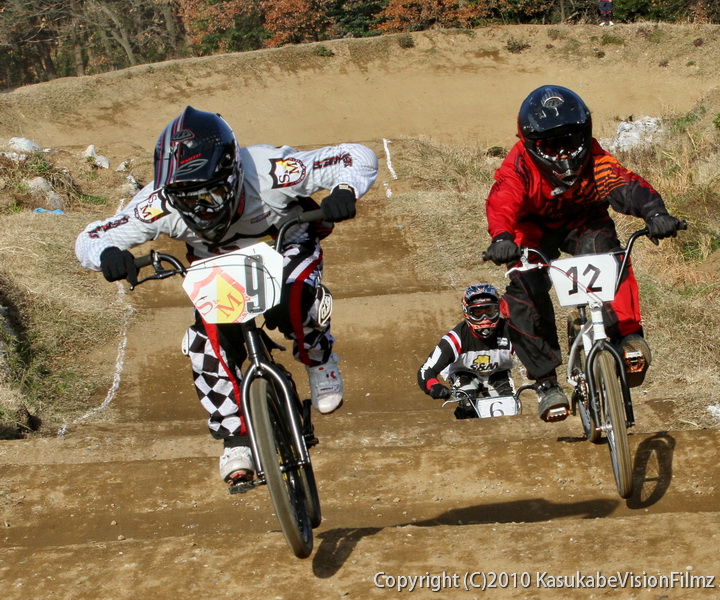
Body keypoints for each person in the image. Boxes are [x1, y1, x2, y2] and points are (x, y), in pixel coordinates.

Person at [75, 106, 378, 485]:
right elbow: (91, 236)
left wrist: (344, 190)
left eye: (211, 193)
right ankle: (235, 437)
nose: (202, 207)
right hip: (217, 268)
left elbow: (355, 156)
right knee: (206, 342)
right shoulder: (157, 204)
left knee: (294, 296)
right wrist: (108, 255)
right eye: (188, 199)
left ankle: (319, 356)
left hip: (283, 243)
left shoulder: (269, 170)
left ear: (233, 172)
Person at [482, 85, 683, 423]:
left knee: (610, 257)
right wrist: (502, 237)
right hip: (532, 227)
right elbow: (503, 201)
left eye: (570, 139)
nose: (562, 152)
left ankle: (628, 334)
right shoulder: (518, 165)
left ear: (585, 133)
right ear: (532, 144)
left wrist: (655, 213)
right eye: (550, 144)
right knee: (524, 289)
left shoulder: (595, 157)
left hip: (584, 219)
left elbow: (624, 184)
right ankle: (546, 382)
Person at [417, 284, 515, 419]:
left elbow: (533, 355)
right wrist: (434, 386)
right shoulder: (454, 340)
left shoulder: (511, 331)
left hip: (498, 373)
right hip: (464, 373)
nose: (485, 317)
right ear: (467, 312)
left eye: (489, 310)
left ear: (498, 309)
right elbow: (426, 370)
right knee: (467, 405)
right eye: (478, 312)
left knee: (508, 410)